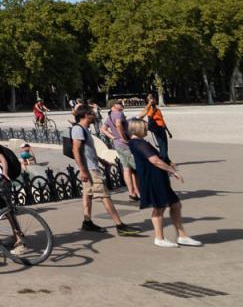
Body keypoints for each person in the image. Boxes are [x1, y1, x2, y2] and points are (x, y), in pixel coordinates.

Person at [126, 118, 201, 248]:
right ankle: (159, 238)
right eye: (145, 127)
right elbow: (154, 160)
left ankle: (182, 236)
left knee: (175, 204)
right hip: (152, 179)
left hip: (157, 178)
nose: (147, 129)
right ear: (138, 128)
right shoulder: (138, 143)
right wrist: (173, 171)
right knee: (159, 207)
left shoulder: (137, 142)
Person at [70, 105, 142, 236]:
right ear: (86, 115)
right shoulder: (78, 129)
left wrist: (101, 160)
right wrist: (83, 170)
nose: (95, 115)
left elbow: (86, 151)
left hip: (90, 167)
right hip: (90, 170)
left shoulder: (83, 129)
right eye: (92, 113)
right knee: (104, 195)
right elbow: (76, 150)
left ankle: (87, 222)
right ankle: (119, 225)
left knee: (88, 194)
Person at [102, 99, 140, 200]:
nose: (122, 104)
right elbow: (118, 124)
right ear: (114, 106)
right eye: (119, 103)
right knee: (136, 168)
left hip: (118, 144)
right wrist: (124, 138)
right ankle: (138, 192)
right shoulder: (118, 114)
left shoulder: (110, 116)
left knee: (127, 169)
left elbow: (103, 129)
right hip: (125, 145)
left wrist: (113, 137)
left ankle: (132, 193)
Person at [143, 94, 173, 161]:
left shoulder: (158, 109)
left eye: (153, 99)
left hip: (162, 127)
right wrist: (153, 108)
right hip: (157, 128)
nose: (153, 100)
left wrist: (168, 131)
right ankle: (165, 159)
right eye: (151, 99)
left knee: (165, 144)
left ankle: (165, 158)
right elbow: (149, 118)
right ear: (149, 101)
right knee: (161, 144)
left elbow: (162, 120)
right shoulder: (150, 109)